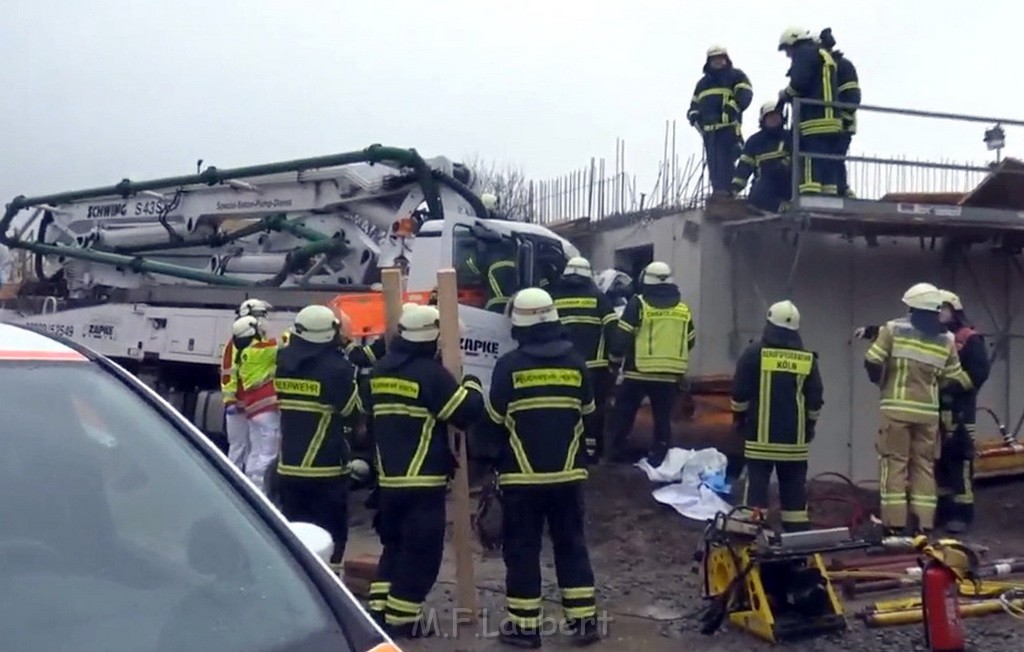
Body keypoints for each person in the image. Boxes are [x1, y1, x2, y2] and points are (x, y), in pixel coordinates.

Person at [482, 287, 601, 648]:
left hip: (522, 479)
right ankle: (583, 623)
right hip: (568, 478)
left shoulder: (509, 367)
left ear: (518, 325)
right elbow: (589, 417)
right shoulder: (577, 364)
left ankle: (525, 629)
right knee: (571, 546)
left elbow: (494, 421)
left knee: (522, 550)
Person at [366, 303, 485, 638]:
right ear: (433, 338)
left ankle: (378, 612)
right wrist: (473, 384)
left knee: (394, 547)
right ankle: (403, 620)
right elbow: (464, 413)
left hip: (388, 482)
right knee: (421, 554)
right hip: (423, 483)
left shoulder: (380, 371)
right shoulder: (430, 375)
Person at [863, 283, 973, 535]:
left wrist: (881, 381)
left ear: (912, 307)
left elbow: (872, 360)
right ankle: (924, 524)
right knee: (924, 466)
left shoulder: (893, 330)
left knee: (895, 464)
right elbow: (953, 378)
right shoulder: (946, 339)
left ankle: (895, 524)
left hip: (896, 409)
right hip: (928, 414)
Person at [274, 305, 362, 571]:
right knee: (330, 538)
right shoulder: (337, 369)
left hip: (288, 466)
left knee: (296, 538)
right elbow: (351, 412)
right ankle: (330, 588)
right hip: (326, 470)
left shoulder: (283, 361)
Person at [731, 300, 823, 532]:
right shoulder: (807, 359)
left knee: (757, 489)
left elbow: (740, 391)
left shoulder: (754, 353)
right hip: (795, 442)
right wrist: (809, 426)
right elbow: (815, 398)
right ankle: (797, 538)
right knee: (794, 490)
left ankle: (753, 534)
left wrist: (739, 419)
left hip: (761, 440)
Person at [607, 261, 696, 467]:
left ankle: (616, 453)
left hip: (639, 372)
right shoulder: (683, 309)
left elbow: (622, 338)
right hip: (669, 376)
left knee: (624, 413)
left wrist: (614, 364)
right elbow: (690, 339)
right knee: (663, 419)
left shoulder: (638, 304)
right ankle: (660, 457)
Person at [546, 256, 618, 461]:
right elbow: (613, 329)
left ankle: (565, 448)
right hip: (594, 367)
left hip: (561, 364)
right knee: (593, 410)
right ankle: (592, 451)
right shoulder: (599, 298)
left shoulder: (554, 298)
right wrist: (615, 358)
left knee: (564, 407)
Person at [935, 290, 990, 533]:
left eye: (943, 308)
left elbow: (978, 373)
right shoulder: (934, 338)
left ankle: (962, 514)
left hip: (960, 413)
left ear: (955, 311)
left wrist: (952, 386)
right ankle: (943, 513)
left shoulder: (969, 339)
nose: (939, 313)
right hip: (935, 412)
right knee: (939, 465)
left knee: (959, 464)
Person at [776, 26, 842, 196]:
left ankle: (809, 197)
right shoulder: (822, 54)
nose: (788, 54)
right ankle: (829, 196)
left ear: (793, 41)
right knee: (827, 162)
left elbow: (799, 83)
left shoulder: (803, 53)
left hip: (814, 118)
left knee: (809, 160)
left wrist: (784, 95)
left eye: (787, 49)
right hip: (832, 119)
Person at [687, 45, 754, 197]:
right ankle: (719, 192)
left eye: (720, 58)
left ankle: (732, 191)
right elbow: (694, 105)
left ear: (726, 59)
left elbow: (745, 94)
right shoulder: (702, 84)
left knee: (730, 159)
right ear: (709, 61)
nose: (718, 61)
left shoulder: (736, 76)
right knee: (714, 164)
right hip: (709, 131)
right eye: (714, 59)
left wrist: (733, 107)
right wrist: (693, 115)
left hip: (728, 127)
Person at [232, 314, 282, 494]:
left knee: (255, 451)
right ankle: (262, 492)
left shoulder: (246, 352)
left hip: (253, 410)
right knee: (268, 453)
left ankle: (251, 488)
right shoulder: (261, 349)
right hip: (266, 410)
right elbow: (286, 341)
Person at [221, 298, 271, 470]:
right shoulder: (235, 343)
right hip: (238, 405)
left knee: (252, 449)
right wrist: (230, 401)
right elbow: (228, 373)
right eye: (259, 315)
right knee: (238, 448)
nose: (262, 319)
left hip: (251, 404)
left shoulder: (259, 341)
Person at [818, 27, 860, 197]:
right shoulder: (823, 68)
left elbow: (851, 97)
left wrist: (842, 117)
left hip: (841, 123)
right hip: (826, 123)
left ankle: (841, 191)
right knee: (828, 158)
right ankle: (835, 190)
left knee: (834, 158)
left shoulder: (841, 66)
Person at [731, 101, 793, 212]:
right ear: (763, 120)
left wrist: (784, 164)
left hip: (787, 182)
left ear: (782, 118)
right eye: (770, 117)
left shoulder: (790, 137)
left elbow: (798, 159)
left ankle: (788, 206)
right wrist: (734, 189)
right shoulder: (754, 141)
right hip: (764, 185)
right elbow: (744, 167)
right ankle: (781, 207)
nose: (773, 119)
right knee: (755, 197)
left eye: (776, 116)